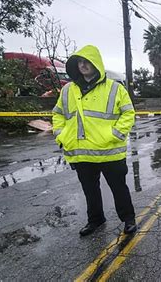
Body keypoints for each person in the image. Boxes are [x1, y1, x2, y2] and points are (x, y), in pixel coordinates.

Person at [52, 45, 137, 236]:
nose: (82, 65)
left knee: (119, 189)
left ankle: (128, 219)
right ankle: (95, 220)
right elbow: (57, 114)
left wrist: (115, 134)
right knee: (90, 191)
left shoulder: (115, 88)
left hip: (110, 151)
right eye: (79, 62)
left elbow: (128, 113)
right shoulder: (67, 90)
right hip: (81, 152)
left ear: (96, 63)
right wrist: (61, 134)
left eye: (86, 61)